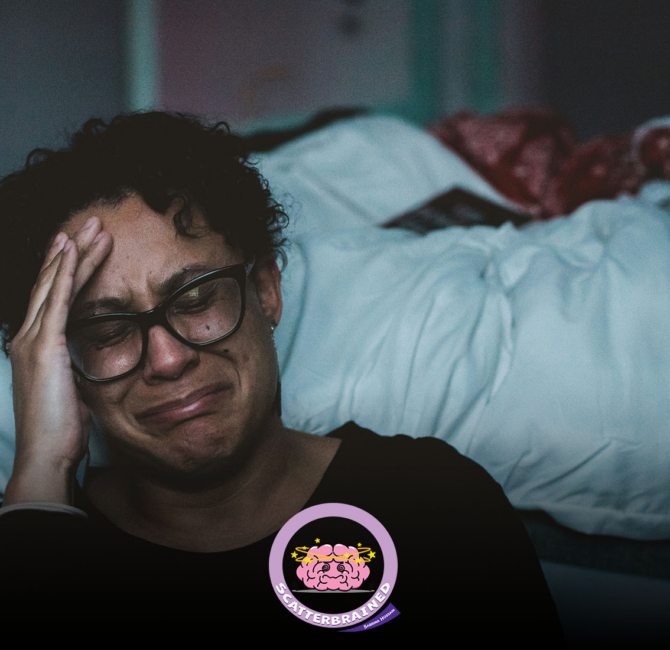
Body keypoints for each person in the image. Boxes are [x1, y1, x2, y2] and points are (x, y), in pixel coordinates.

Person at [0, 112, 563, 641]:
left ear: (266, 290)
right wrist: (41, 467)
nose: (168, 359)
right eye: (108, 332)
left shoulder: (436, 503)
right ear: (59, 363)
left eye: (197, 299)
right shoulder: (39, 536)